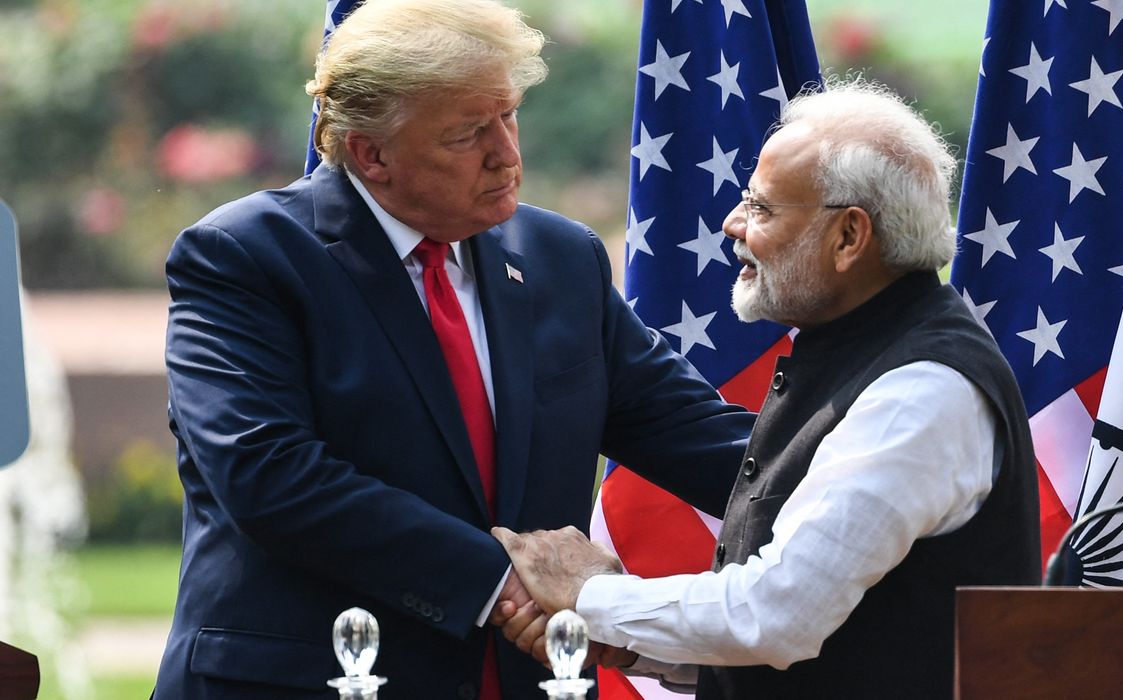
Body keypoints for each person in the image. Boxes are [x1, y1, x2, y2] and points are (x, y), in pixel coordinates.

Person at [153, 1, 753, 698]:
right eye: (468, 133)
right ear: (370, 153)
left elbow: (695, 436)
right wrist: (508, 582)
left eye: (509, 114)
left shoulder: (560, 259)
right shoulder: (245, 257)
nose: (506, 153)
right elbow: (270, 476)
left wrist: (864, 487)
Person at [493, 80, 1041, 699]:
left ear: (849, 237)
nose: (731, 225)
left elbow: (776, 618)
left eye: (762, 208)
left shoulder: (919, 392)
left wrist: (587, 593)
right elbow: (835, 638)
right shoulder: (857, 350)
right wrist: (629, 642)